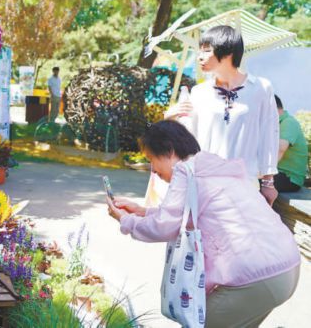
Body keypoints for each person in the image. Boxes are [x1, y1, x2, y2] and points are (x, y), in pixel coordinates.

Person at [107, 120, 300, 328]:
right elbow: (187, 215)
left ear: (170, 151)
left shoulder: (185, 172)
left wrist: (125, 220)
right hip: (286, 269)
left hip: (255, 279)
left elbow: (164, 227)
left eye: (151, 159)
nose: (152, 170)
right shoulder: (214, 169)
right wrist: (142, 211)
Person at [165, 25, 279, 205]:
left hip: (244, 184)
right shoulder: (199, 92)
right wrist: (170, 116)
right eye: (199, 51)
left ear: (228, 52)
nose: (199, 57)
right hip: (204, 183)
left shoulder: (261, 88)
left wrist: (268, 182)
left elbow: (269, 135)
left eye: (206, 51)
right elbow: (186, 140)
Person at [274, 95, 308, 192]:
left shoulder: (288, 122)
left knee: (251, 183)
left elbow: (280, 149)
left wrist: (264, 174)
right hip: (279, 174)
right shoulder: (275, 123)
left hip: (290, 179)